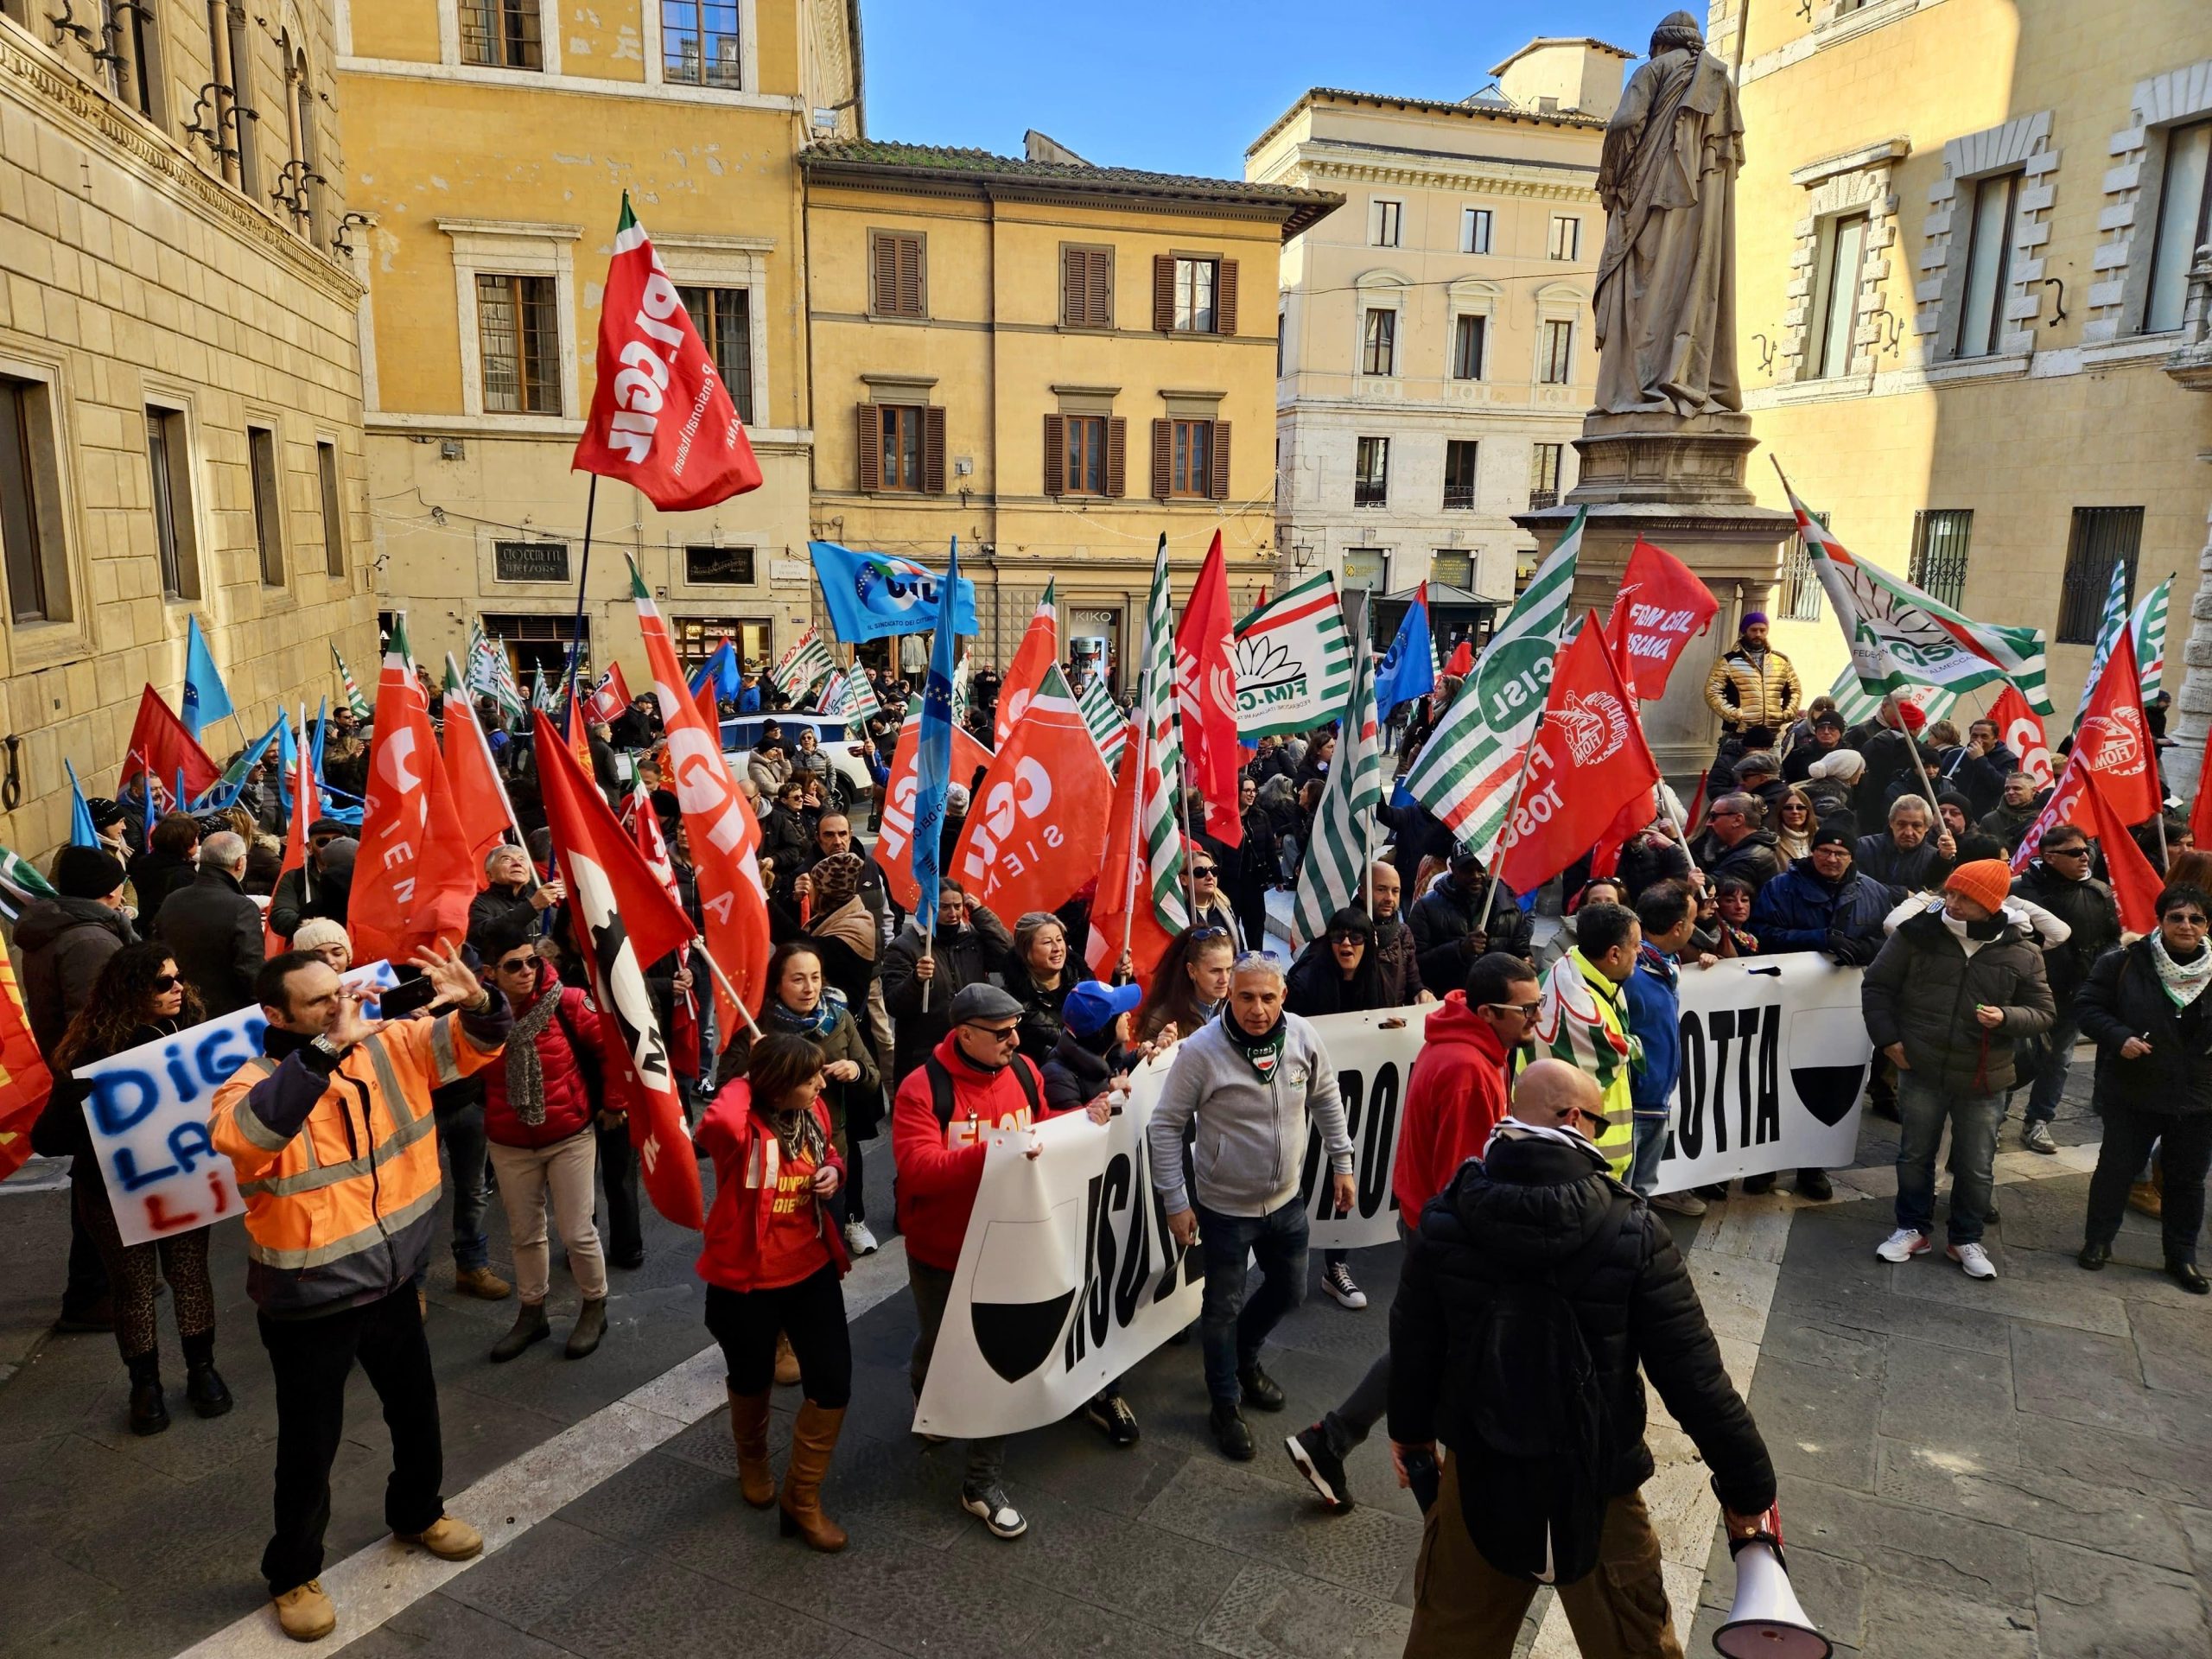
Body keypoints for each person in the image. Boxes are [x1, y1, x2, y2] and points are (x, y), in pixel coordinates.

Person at [1388, 1059, 1777, 1657]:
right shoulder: (1634, 1229)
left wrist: (1411, 1438)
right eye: (1599, 1119)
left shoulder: (1448, 1216)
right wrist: (1749, 1489)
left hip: (1479, 1472)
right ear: (1575, 1119)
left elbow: (1414, 1346)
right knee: (1634, 1641)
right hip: (1601, 1481)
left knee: (1451, 1636)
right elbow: (1694, 1376)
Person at [209, 943, 510, 1642]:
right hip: (310, 1300)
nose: (339, 1005)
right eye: (317, 1001)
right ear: (275, 1014)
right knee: (311, 1443)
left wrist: (481, 1001)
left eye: (338, 991)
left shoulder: (391, 1046)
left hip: (396, 1278)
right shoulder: (249, 1083)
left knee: (416, 1410)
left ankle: (419, 1512)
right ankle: (292, 1572)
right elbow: (246, 1136)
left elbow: (475, 1047)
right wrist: (320, 1054)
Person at [1285, 952, 1537, 1513]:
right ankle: (1353, 1443)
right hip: (1445, 1234)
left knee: (1424, 1344)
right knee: (1438, 1348)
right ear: (1491, 1012)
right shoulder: (1471, 1072)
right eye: (1529, 1009)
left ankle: (1335, 1439)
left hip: (1427, 1219)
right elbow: (1467, 1180)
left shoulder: (1462, 1039)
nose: (1537, 1019)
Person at [1148, 953, 1353, 1460]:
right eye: (1245, 997)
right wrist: (1176, 1201)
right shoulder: (1201, 1052)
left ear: (1283, 996)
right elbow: (1165, 1126)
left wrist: (1343, 1162)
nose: (1257, 1009)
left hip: (1287, 1201)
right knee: (1222, 1307)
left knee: (1289, 1291)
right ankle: (1224, 1404)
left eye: (1267, 997)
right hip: (1224, 1208)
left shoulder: (1302, 1036)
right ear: (1228, 997)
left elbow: (1326, 1097)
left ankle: (1244, 1358)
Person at [893, 983, 1067, 1540]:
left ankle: (980, 1482)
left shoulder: (1022, 1072)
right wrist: (994, 1151)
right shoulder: (923, 1090)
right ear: (964, 1033)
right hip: (941, 1250)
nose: (1015, 1041)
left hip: (1009, 1244)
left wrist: (1089, 1116)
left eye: (1017, 1029)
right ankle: (931, 1401)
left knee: (997, 1358)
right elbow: (918, 1169)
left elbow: (1042, 1126)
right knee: (939, 1343)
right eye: (1002, 1033)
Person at [36, 944, 229, 1434]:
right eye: (164, 982)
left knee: (190, 1275)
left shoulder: (190, 1035)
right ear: (131, 989)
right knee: (133, 1287)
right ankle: (144, 1385)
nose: (178, 988)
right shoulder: (90, 1051)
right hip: (113, 1189)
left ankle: (202, 1369)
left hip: (181, 1180)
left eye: (179, 978)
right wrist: (73, 1105)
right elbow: (47, 1139)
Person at [695, 1031, 855, 1549]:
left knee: (832, 1382)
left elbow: (831, 1153)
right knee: (750, 1375)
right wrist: (748, 1076)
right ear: (777, 1086)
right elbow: (715, 1121)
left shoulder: (814, 1115)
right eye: (807, 1077)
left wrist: (832, 1170)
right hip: (746, 1282)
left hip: (811, 1270)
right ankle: (753, 1461)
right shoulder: (739, 1132)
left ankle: (801, 1499)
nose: (819, 1082)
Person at [1863, 861, 2055, 1280]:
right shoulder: (1917, 935)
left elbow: (2043, 1012)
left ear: (1990, 903)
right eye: (1950, 893)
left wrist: (2006, 1017)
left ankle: (1965, 1238)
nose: (1952, 903)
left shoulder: (2022, 950)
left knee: (1976, 1163)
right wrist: (1889, 1041)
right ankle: (1911, 1228)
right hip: (1921, 1067)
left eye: (1965, 897)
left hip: (1985, 1075)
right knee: (1915, 1154)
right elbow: (1877, 986)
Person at [476, 926, 613, 1362]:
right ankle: (532, 1312)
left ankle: (595, 1305)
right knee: (525, 1234)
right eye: (514, 966)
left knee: (577, 1232)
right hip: (509, 1141)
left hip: (569, 1134)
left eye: (532, 961)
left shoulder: (568, 1002)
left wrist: (614, 1103)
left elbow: (611, 1049)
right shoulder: (477, 1015)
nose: (526, 972)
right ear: (490, 973)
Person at [1039, 978, 1164, 1446]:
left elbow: (1121, 1070)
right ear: (1100, 1029)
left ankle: (1103, 1385)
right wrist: (1106, 1105)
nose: (1129, 1017)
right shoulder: (1058, 1076)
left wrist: (1146, 1057)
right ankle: (1099, 1392)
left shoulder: (1101, 1057)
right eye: (1120, 1012)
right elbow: (1070, 1144)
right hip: (1085, 1211)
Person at [20, 845, 138, 1334]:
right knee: (98, 1186)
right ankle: (90, 1294)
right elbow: (98, 1022)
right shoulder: (92, 941)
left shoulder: (60, 928)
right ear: (110, 892)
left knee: (102, 1185)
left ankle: (110, 1283)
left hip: (82, 1073)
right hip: (99, 1079)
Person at [2075, 881, 2212, 1293]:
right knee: (2116, 1171)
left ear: (2207, 925)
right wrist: (2119, 1036)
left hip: (2198, 1097)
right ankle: (2098, 1241)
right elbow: (2087, 1006)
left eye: (2196, 918)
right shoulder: (2124, 962)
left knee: (2187, 1180)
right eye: (2176, 917)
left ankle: (2181, 1255)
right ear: (2160, 920)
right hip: (2134, 1090)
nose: (2186, 925)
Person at [1286, 906, 1392, 1313]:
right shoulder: (1306, 982)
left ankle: (1336, 1265)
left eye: (1356, 937)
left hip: (1353, 1099)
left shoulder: (1377, 982)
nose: (1346, 944)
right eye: (1338, 937)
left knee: (1345, 1176)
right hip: (1306, 1100)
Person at [1530, 901, 1640, 1180]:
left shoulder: (1566, 976)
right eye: (1636, 945)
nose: (1641, 952)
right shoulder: (1580, 1005)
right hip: (1585, 1159)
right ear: (1614, 954)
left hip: (1589, 1154)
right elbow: (1615, 1052)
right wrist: (1631, 1045)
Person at [1625, 882, 1711, 1216]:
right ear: (1678, 928)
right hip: (1636, 1104)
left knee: (1642, 1190)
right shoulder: (1632, 975)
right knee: (1626, 1191)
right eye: (1692, 921)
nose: (1695, 928)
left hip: (1656, 1099)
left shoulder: (1663, 965)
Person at [879, 881, 1014, 1086]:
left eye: (958, 906)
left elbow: (1009, 957)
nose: (953, 913)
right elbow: (894, 1004)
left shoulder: (972, 940)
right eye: (944, 907)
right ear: (928, 907)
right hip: (924, 1054)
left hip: (970, 1048)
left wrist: (980, 913)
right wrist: (916, 981)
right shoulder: (904, 948)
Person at [151, 830, 264, 1015]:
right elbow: (250, 970)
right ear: (239, 862)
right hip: (227, 1014)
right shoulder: (242, 908)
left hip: (181, 1006)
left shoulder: (173, 899)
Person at [1409, 849, 1535, 988]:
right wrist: (1460, 949)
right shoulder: (1427, 908)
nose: (1475, 876)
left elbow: (1522, 953)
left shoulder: (1509, 909)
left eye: (1480, 869)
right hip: (1447, 999)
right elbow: (1414, 964)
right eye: (1467, 870)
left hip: (1493, 999)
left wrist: (1526, 964)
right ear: (1453, 869)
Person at [1702, 611, 1802, 743]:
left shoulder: (1781, 661)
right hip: (1738, 734)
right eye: (1753, 630)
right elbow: (1712, 692)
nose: (1758, 634)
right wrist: (1733, 714)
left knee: (1770, 764)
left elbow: (1795, 690)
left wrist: (1787, 713)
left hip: (1771, 733)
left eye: (1762, 630)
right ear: (1745, 631)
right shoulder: (1729, 661)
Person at [1136, 925, 1237, 1044]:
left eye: (1229, 969)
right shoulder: (1162, 1020)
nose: (1224, 979)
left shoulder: (1238, 1006)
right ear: (1192, 970)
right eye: (1215, 971)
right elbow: (1147, 1059)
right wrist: (1161, 1050)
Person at [1006, 910, 1077, 1065]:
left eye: (1059, 939)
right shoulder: (1011, 1004)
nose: (1057, 948)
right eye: (1047, 942)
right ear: (1026, 951)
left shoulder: (1083, 987)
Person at [1854, 792, 1953, 896]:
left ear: (1927, 827)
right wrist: (1901, 894)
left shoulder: (1934, 858)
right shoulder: (1865, 846)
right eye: (1901, 824)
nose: (1908, 832)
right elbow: (1857, 885)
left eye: (1916, 825)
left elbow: (1935, 895)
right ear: (1891, 823)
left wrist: (1945, 860)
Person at [467, 844, 562, 950]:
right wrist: (532, 907)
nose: (517, 864)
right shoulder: (477, 903)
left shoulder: (544, 903)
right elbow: (483, 936)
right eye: (506, 860)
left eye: (522, 859)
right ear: (490, 876)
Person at [1690, 793, 1783, 891]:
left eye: (1713, 816)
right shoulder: (1755, 848)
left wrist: (1675, 851)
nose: (1708, 823)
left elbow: (1710, 889)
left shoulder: (1746, 860)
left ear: (1738, 820)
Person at [1225, 775, 1277, 950]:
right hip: (1231, 882)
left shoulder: (1261, 817)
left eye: (1254, 790)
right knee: (1231, 927)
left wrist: (1277, 877)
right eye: (1247, 790)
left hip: (1254, 881)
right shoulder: (1226, 819)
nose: (1251, 794)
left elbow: (1270, 847)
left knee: (1255, 926)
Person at [127, 811, 201, 921]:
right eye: (195, 837)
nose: (197, 841)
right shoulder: (184, 876)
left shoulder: (144, 863)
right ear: (187, 843)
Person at [1803, 748, 1868, 834]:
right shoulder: (1830, 800)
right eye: (1859, 768)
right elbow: (1831, 834)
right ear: (1847, 771)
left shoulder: (1832, 792)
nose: (1863, 772)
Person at [1936, 791, 2006, 868]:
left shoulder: (1985, 847)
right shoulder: (1924, 844)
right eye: (1941, 812)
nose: (1946, 817)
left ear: (1966, 819)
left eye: (1954, 813)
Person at [1185, 853, 1242, 947]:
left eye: (1214, 870)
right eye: (1200, 872)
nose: (1210, 876)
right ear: (1183, 879)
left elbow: (1240, 948)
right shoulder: (1179, 912)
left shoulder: (1224, 907)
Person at [1982, 770, 2045, 853]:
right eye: (2007, 789)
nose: (2010, 792)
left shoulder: (2046, 816)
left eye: (2017, 788)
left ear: (2033, 791)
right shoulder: (1989, 821)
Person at [1782, 708, 1848, 784]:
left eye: (1831, 729)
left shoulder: (1849, 758)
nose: (1826, 732)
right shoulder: (1799, 755)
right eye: (1822, 728)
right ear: (1816, 732)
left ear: (1840, 732)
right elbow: (1785, 781)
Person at [1772, 785, 1817, 863]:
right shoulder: (1772, 843)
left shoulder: (1820, 837)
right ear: (1780, 812)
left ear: (1808, 811)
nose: (1795, 812)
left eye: (1800, 807)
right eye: (1788, 808)